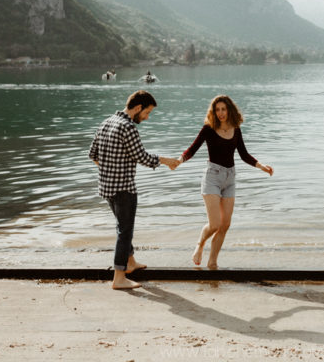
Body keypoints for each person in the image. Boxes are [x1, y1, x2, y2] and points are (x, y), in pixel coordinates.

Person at [89, 90, 179, 289]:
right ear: (138, 108)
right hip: (124, 189)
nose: (147, 118)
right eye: (147, 113)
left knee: (122, 226)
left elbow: (93, 154)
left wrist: (109, 172)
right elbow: (142, 157)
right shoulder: (128, 127)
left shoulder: (106, 122)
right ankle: (119, 278)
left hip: (107, 187)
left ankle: (130, 262)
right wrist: (166, 161)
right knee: (125, 231)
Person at [171, 95, 273, 269]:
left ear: (229, 110)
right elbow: (192, 148)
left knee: (225, 225)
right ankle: (200, 244)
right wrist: (179, 160)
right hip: (212, 177)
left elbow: (243, 154)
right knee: (215, 224)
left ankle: (212, 262)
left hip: (230, 178)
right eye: (217, 110)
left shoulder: (236, 128)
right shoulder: (208, 129)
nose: (220, 113)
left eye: (223, 109)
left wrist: (261, 166)